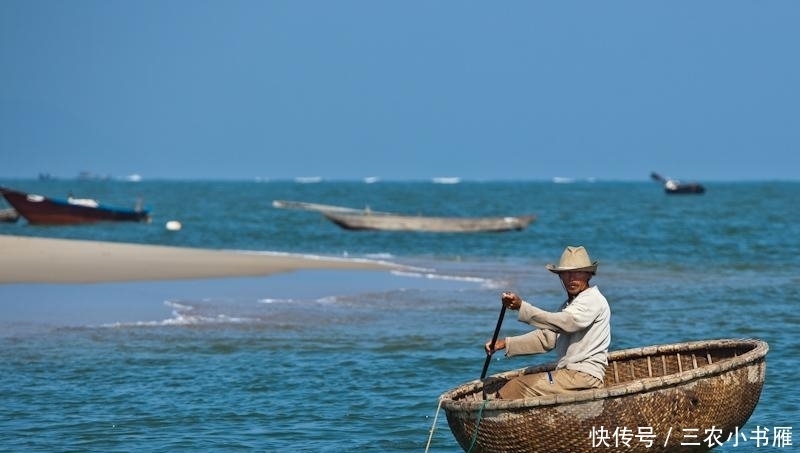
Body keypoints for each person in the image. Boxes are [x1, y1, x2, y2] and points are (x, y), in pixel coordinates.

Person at [485, 245, 611, 399]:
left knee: (515, 388)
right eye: (566, 274)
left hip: (583, 377)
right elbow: (547, 338)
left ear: (588, 275)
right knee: (515, 387)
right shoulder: (568, 306)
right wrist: (505, 343)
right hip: (569, 375)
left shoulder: (592, 299)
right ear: (560, 277)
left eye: (578, 273)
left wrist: (522, 307)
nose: (572, 278)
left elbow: (567, 323)